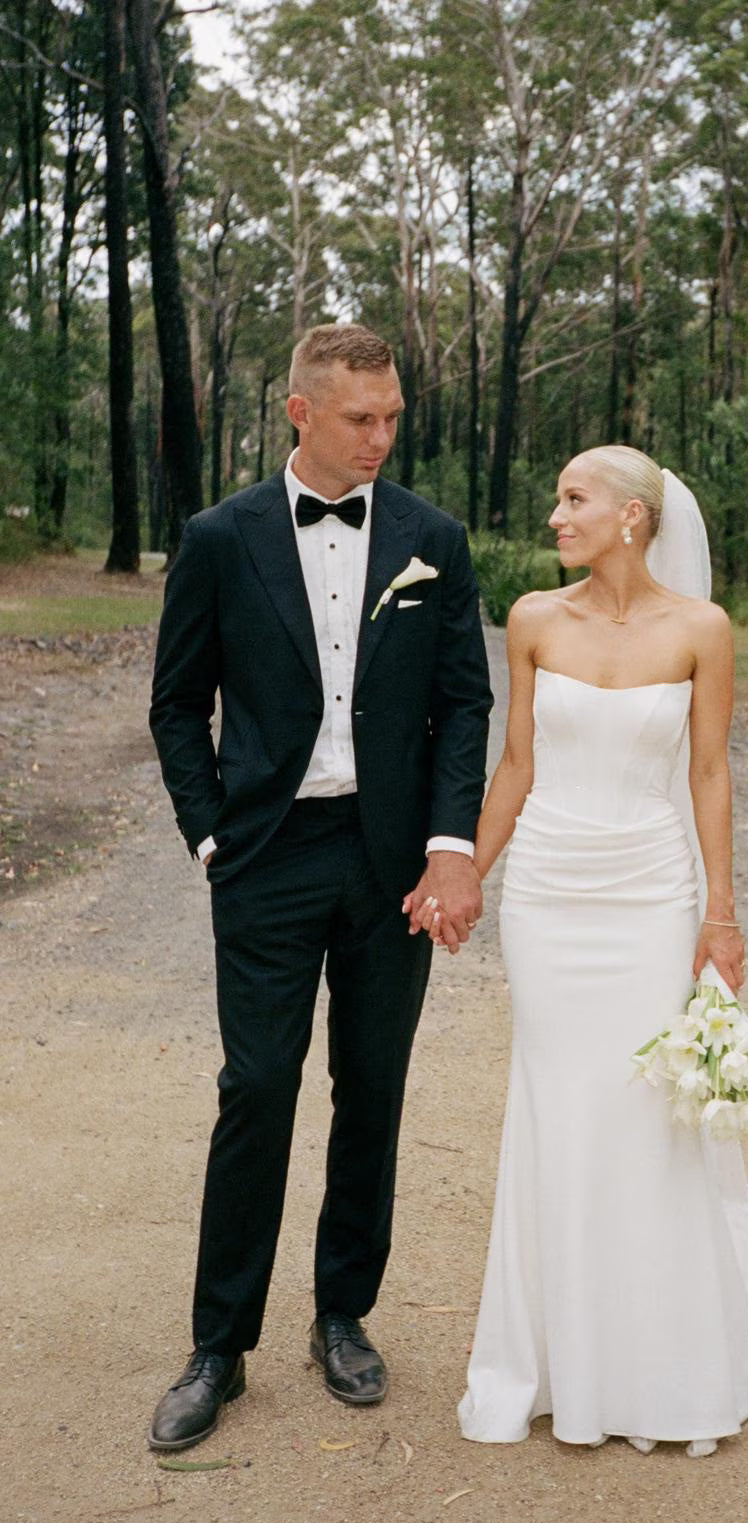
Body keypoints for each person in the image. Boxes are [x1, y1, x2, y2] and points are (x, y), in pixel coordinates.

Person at [147, 323, 492, 1452]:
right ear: (300, 411)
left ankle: (342, 1315)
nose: (381, 437)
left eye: (392, 417)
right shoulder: (219, 537)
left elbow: (464, 703)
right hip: (267, 855)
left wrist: (451, 845)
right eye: (360, 418)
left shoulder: (433, 539)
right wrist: (211, 837)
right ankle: (218, 1346)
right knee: (256, 1088)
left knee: (372, 1088)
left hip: (392, 861)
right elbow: (176, 703)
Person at [448, 445, 748, 1455]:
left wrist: (720, 913)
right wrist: (466, 873)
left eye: (574, 498)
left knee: (646, 1112)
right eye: (557, 497)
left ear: (631, 517)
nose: (555, 514)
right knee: (557, 1103)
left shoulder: (703, 630)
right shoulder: (533, 618)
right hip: (548, 894)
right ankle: (550, 1358)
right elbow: (516, 764)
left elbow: (709, 774)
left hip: (651, 891)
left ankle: (662, 1364)